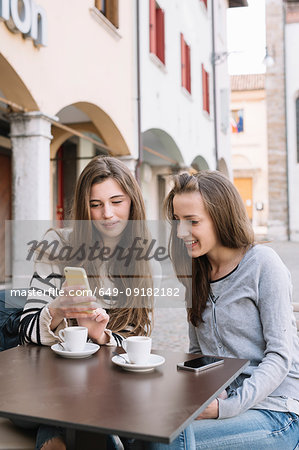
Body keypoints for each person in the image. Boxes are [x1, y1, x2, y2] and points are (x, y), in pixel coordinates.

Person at [147, 171, 299, 449]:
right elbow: (197, 356)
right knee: (139, 431)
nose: (181, 232)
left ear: (221, 217)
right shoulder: (197, 273)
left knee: (164, 445)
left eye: (192, 221)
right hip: (222, 406)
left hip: (277, 413)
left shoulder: (264, 264)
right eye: (177, 221)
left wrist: (225, 409)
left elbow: (280, 357)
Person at [18, 155, 157, 450]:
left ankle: (55, 433)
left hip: (105, 387)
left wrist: (100, 335)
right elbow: (25, 329)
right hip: (47, 380)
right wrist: (57, 311)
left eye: (117, 201)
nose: (107, 214)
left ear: (133, 202)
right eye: (95, 205)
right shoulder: (56, 245)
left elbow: (137, 345)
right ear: (84, 208)